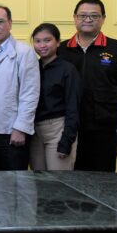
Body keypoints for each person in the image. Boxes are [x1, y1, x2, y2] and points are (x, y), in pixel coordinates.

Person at [57, 0, 117, 172]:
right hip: (66, 126)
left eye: (94, 16)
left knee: (102, 176)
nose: (88, 20)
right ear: (74, 17)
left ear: (103, 19)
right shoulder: (61, 50)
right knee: (67, 177)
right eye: (83, 15)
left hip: (103, 126)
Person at [0, 5, 40, 171]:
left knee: (13, 181)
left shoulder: (24, 52)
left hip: (10, 129)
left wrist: (21, 128)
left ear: (10, 23)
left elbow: (30, 94)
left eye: (0, 21)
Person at [29, 23, 81, 171]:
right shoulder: (32, 67)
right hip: (34, 131)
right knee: (38, 180)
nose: (42, 45)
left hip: (58, 129)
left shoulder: (67, 69)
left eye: (47, 40)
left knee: (58, 180)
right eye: (37, 41)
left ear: (58, 42)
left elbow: (73, 107)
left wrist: (67, 140)